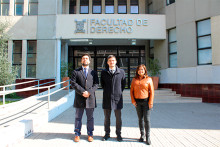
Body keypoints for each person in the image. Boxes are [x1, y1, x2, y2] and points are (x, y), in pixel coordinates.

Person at [71, 53, 99, 142]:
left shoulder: (93, 72)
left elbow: (96, 84)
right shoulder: (76, 72)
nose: (85, 60)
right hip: (79, 98)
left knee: (90, 118)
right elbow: (73, 83)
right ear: (81, 60)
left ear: (89, 61)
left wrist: (89, 92)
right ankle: (77, 134)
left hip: (90, 99)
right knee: (78, 117)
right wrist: (83, 92)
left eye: (86, 58)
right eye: (83, 58)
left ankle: (90, 134)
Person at [101, 55, 126, 142]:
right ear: (107, 62)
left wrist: (118, 92)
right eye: (110, 61)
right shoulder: (104, 72)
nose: (111, 62)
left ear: (116, 62)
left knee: (118, 119)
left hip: (117, 99)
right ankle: (107, 134)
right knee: (106, 118)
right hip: (107, 99)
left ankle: (118, 134)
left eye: (113, 60)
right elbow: (103, 84)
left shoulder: (121, 72)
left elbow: (123, 85)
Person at [130, 64, 154, 145]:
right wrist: (133, 101)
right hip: (137, 102)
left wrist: (150, 102)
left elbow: (152, 92)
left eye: (142, 69)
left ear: (145, 71)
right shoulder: (134, 80)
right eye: (139, 69)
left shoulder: (149, 79)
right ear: (137, 71)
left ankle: (148, 137)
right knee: (140, 119)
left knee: (146, 119)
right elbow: (131, 91)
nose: (141, 71)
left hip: (146, 102)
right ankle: (142, 135)